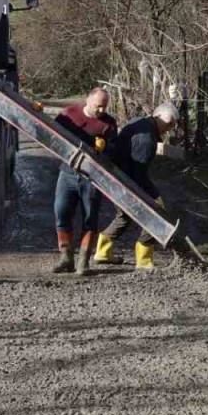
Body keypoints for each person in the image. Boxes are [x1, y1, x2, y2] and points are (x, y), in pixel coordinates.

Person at [96, 103, 180, 270]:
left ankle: (102, 252)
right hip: (125, 180)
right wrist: (154, 197)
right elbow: (138, 174)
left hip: (115, 176)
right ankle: (144, 260)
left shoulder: (139, 121)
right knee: (155, 214)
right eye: (169, 124)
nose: (169, 129)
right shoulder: (147, 140)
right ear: (160, 118)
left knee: (124, 216)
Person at [52, 87, 118, 275]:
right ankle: (66, 257)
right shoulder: (69, 114)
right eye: (98, 106)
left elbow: (114, 152)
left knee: (90, 218)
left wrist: (104, 149)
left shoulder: (109, 124)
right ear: (87, 100)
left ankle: (83, 260)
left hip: (92, 178)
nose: (101, 111)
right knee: (61, 212)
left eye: (104, 107)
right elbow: (53, 136)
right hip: (67, 172)